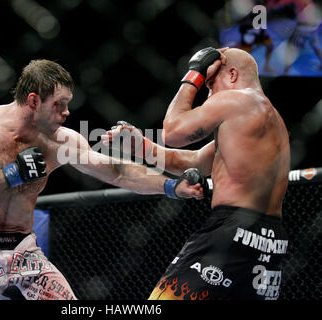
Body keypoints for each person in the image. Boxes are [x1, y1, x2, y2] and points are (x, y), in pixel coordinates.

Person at [0, 59, 204, 300]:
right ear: (33, 101)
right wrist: (10, 175)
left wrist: (171, 185)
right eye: (59, 105)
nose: (66, 113)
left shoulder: (59, 141)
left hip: (24, 252)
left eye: (67, 104)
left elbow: (116, 171)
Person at [102, 47, 291, 300]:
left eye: (211, 84)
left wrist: (195, 74)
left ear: (232, 74)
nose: (209, 94)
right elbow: (196, 160)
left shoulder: (239, 99)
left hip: (231, 230)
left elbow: (172, 131)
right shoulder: (274, 122)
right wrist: (142, 147)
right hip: (271, 241)